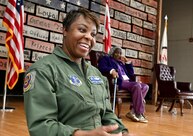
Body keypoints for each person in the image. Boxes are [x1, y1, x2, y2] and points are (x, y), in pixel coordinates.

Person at [23, 8, 135, 136]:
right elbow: (41, 127)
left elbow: (107, 114)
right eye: (82, 30)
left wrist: (123, 132)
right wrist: (83, 134)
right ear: (65, 30)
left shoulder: (96, 74)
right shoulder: (43, 71)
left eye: (93, 34)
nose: (88, 37)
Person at [98, 46, 149, 123]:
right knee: (137, 85)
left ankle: (132, 111)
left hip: (128, 82)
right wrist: (112, 71)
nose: (119, 55)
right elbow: (101, 67)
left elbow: (131, 74)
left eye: (120, 53)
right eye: (117, 52)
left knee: (145, 86)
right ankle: (138, 113)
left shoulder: (121, 63)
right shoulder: (106, 59)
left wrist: (128, 62)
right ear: (112, 53)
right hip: (119, 82)